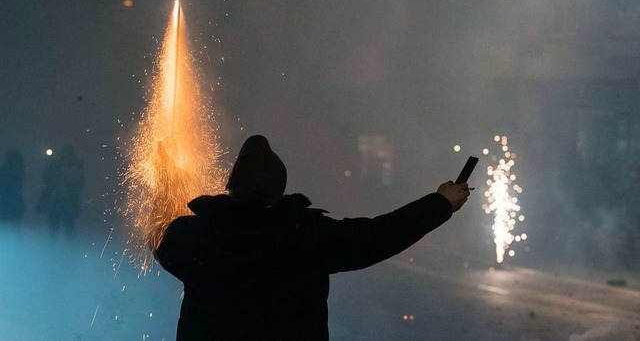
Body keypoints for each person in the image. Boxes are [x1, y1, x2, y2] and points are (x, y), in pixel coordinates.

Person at [155, 135, 471, 340]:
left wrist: (166, 180)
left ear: (231, 185)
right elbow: (379, 235)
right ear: (279, 189)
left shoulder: (192, 233)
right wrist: (441, 202)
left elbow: (158, 238)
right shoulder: (306, 235)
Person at [37, 145, 84, 239]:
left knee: (68, 229)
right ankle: (61, 251)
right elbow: (48, 180)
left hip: (66, 202)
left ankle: (70, 251)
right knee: (56, 230)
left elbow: (79, 184)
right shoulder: (57, 166)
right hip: (58, 202)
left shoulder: (73, 167)